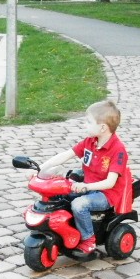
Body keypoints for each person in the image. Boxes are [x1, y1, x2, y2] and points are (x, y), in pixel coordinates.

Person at [39, 100, 129, 256]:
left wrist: (86, 186)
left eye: (88, 122)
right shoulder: (90, 142)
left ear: (102, 127)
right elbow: (66, 155)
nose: (85, 125)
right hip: (88, 186)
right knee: (60, 194)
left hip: (106, 194)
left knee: (79, 204)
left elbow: (110, 183)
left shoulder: (118, 150)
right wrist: (40, 169)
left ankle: (88, 240)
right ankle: (62, 232)